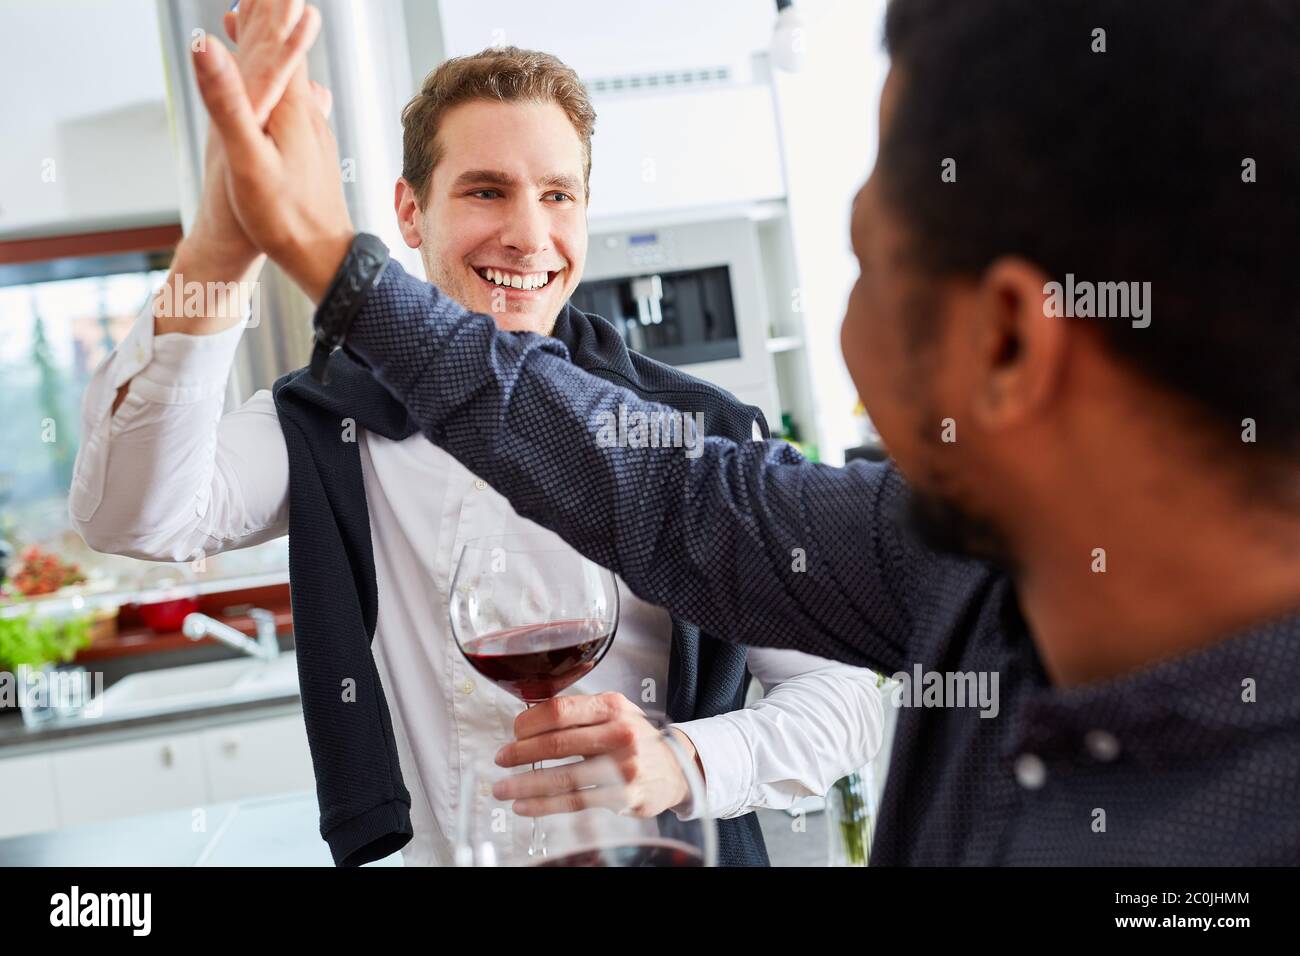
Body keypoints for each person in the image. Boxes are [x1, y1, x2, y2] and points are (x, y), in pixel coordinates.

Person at [182, 0, 1300, 864]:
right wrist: (338, 266)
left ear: (1006, 346)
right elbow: (661, 495)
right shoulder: (952, 556)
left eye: (862, 260)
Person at [70, 5, 882, 867]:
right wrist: (222, 244)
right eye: (486, 190)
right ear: (410, 214)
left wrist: (686, 760)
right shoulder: (323, 425)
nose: (529, 234)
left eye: (557, 194)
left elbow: (845, 700)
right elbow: (132, 515)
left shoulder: (691, 432)